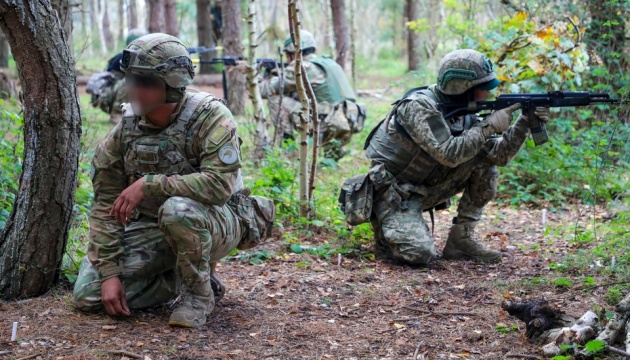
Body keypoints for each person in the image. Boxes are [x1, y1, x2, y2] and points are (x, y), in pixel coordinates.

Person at [73, 33, 275, 328]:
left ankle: (198, 295)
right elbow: (106, 203)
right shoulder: (127, 129)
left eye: (144, 82)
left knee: (177, 210)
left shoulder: (210, 117)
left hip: (217, 221)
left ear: (171, 85)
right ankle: (184, 276)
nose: (132, 89)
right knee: (89, 296)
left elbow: (218, 186)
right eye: (130, 79)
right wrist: (110, 274)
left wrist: (149, 184)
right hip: (153, 227)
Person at [340, 49, 550, 265]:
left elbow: (498, 155)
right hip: (395, 195)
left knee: (482, 161)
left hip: (427, 187)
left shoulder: (464, 111)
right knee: (420, 255)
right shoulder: (418, 106)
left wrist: (525, 121)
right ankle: (386, 229)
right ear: (461, 88)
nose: (487, 94)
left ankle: (461, 239)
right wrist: (489, 126)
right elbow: (448, 153)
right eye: (482, 89)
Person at [260, 30, 366, 160]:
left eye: (287, 55)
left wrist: (258, 76)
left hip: (326, 123)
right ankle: (333, 154)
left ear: (292, 53)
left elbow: (265, 90)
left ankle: (287, 148)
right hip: (348, 122)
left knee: (276, 99)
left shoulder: (302, 66)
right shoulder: (329, 63)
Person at [86, 28, 148, 124]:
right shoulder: (125, 57)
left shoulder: (140, 57)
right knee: (133, 81)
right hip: (106, 98)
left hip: (112, 94)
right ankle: (117, 115)